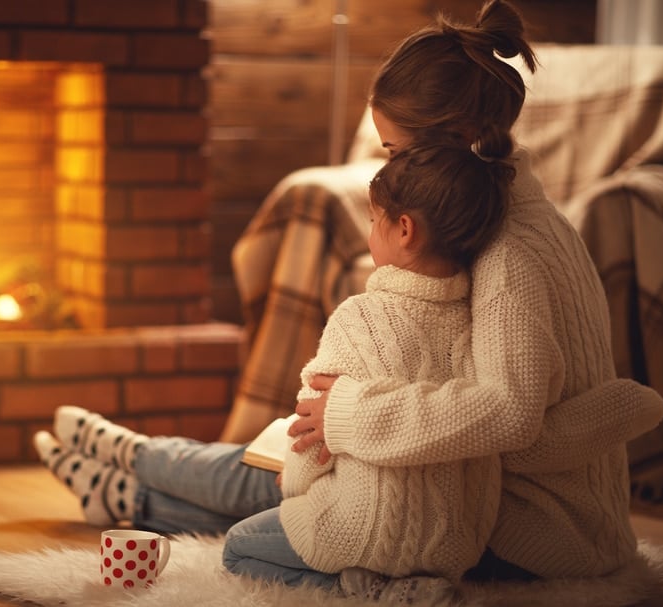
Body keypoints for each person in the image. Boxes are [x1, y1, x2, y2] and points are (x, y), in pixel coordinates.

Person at [32, 0, 663, 597]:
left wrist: (353, 419)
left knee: (291, 486)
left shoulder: (510, 251)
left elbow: (510, 412)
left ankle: (136, 473)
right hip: (493, 486)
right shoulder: (520, 217)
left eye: (396, 150)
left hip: (540, 529)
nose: (392, 171)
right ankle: (132, 474)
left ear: (460, 135)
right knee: (293, 467)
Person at [219, 138, 513, 596]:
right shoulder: (481, 323)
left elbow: (309, 436)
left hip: (365, 530)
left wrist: (295, 485)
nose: (369, 233)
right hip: (458, 544)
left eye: (373, 221)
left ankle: (368, 587)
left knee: (238, 547)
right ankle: (411, 585)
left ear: (404, 230)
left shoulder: (360, 318)